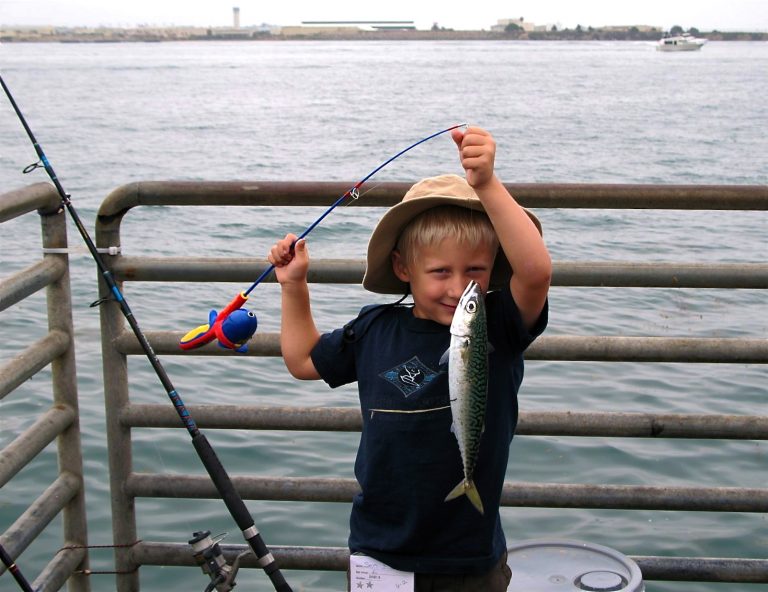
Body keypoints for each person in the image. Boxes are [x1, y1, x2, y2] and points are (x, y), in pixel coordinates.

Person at [267, 126, 551, 591]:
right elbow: (301, 360)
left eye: (475, 271)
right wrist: (294, 286)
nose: (458, 288)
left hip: (468, 555)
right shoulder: (374, 328)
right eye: (440, 272)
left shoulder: (495, 323)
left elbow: (536, 273)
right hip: (379, 550)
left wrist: (487, 184)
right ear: (403, 269)